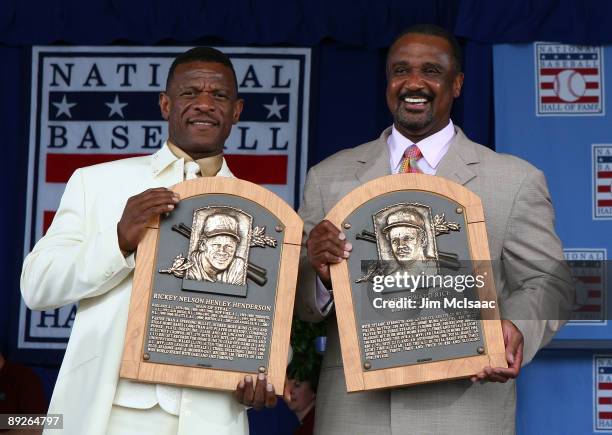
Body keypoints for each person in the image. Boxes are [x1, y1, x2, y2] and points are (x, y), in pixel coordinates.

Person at [296, 24, 574, 434]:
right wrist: (320, 275)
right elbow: (297, 302)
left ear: (457, 84)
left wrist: (514, 327)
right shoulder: (329, 177)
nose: (413, 82)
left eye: (431, 71)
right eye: (400, 70)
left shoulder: (514, 180)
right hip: (355, 415)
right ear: (387, 80)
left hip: (465, 414)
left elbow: (551, 282)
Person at [21, 46, 275, 435]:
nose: (205, 104)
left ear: (237, 110)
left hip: (209, 418)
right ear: (165, 104)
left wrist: (265, 373)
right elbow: (37, 287)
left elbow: (270, 319)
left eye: (219, 95)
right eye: (190, 93)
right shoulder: (98, 183)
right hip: (110, 412)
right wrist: (119, 240)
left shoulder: (263, 211)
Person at [187, 213, 246, 285]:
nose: (222, 251)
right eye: (216, 245)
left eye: (229, 246)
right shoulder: (188, 267)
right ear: (202, 245)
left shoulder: (237, 267)